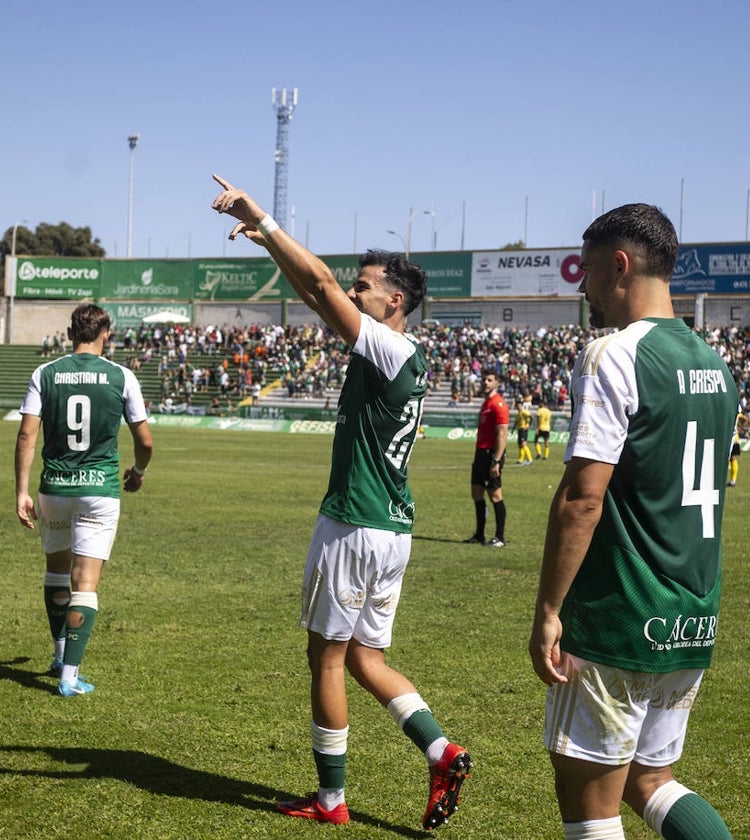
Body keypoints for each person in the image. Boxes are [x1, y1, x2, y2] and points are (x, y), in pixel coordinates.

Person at [211, 174, 471, 831]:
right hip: (392, 529)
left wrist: (263, 219)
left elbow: (323, 287)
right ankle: (442, 751)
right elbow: (316, 291)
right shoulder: (403, 351)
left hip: (353, 524)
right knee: (365, 659)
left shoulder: (385, 348)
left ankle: (330, 801)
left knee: (325, 659)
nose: (355, 292)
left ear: (397, 300)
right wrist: (271, 250)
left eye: (367, 286)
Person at [529, 203, 736, 840]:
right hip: (691, 611)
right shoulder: (716, 365)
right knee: (652, 784)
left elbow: (582, 499)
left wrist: (548, 611)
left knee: (592, 812)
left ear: (620, 267)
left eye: (587, 271)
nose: (582, 287)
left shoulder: (614, 355)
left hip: (620, 615)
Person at [15, 303, 153, 698]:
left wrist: (22, 491)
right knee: (85, 583)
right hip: (99, 491)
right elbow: (144, 441)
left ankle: (60, 654)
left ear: (70, 333)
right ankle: (69, 676)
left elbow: (27, 436)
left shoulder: (46, 372)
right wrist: (139, 472)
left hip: (54, 488)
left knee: (57, 573)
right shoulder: (122, 376)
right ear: (105, 334)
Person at [467, 371, 508, 547]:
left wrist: (496, 460)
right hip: (480, 453)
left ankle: (499, 537)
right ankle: (479, 534)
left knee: (495, 495)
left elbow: (502, 434)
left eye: (490, 380)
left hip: (491, 454)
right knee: (477, 492)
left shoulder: (498, 404)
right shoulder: (486, 403)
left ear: (496, 383)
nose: (485, 382)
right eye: (484, 379)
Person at [727, 407, 748, 487]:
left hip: (731, 438)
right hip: (734, 438)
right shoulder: (737, 414)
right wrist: (740, 429)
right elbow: (746, 419)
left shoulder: (730, 413)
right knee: (733, 459)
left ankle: (733, 480)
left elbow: (746, 419)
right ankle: (733, 480)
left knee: (733, 458)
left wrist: (740, 429)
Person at [515, 396, 535, 466]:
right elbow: (516, 422)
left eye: (519, 406)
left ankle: (530, 459)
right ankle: (520, 459)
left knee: (523, 444)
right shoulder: (518, 414)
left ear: (521, 406)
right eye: (517, 406)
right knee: (520, 445)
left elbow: (531, 417)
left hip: (524, 429)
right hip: (520, 429)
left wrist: (529, 425)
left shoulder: (524, 412)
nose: (518, 407)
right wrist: (513, 429)